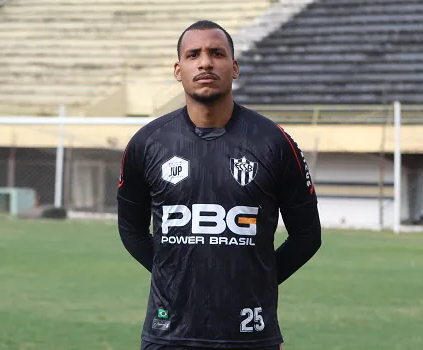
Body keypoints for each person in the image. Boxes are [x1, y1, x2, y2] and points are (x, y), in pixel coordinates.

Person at [117, 20, 322, 350]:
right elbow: (131, 230)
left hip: (250, 334)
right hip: (168, 334)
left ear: (235, 67)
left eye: (216, 53)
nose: (205, 62)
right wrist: (171, 273)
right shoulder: (147, 143)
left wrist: (260, 280)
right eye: (193, 54)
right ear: (178, 69)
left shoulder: (274, 142)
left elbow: (307, 235)